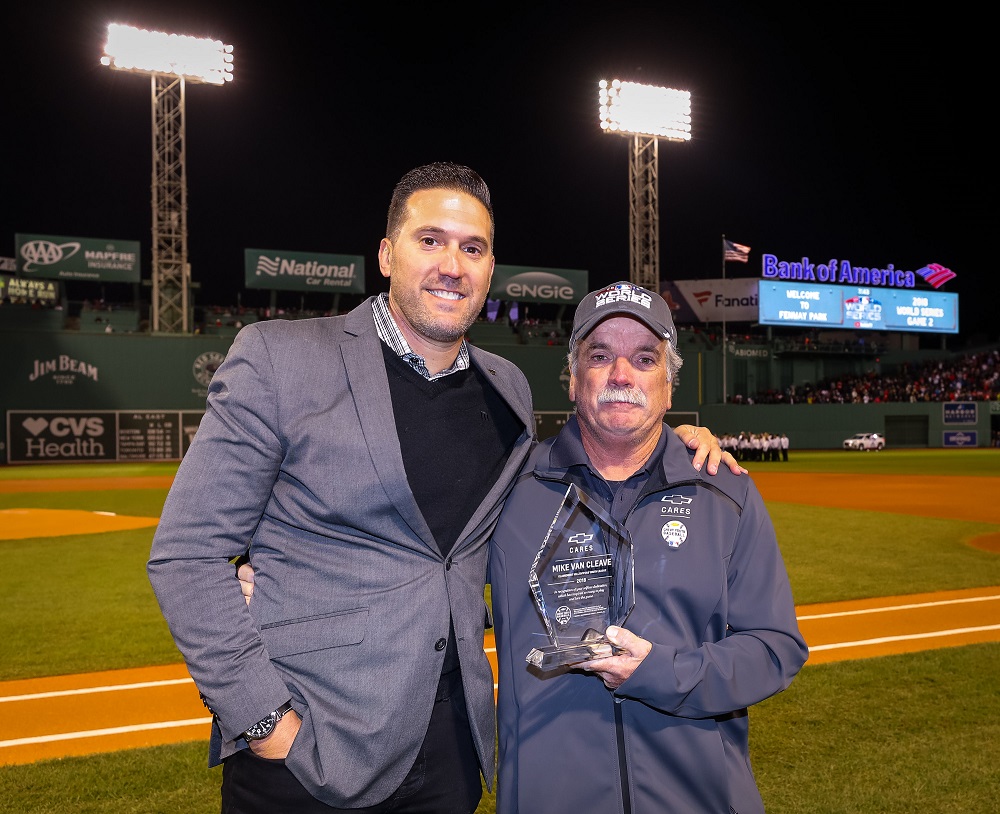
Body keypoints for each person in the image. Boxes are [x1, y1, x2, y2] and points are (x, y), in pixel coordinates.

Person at [148, 163, 739, 813]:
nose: (452, 264)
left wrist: (661, 444)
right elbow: (187, 554)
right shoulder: (278, 358)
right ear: (386, 253)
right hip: (309, 749)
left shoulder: (507, 387)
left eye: (472, 247)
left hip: (453, 750)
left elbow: (539, 508)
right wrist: (264, 723)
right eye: (430, 240)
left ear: (490, 268)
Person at [488, 281, 808, 814]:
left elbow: (776, 649)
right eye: (599, 355)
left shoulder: (724, 493)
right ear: (571, 378)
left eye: (643, 358)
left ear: (668, 384)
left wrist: (659, 672)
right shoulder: (504, 495)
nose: (621, 376)